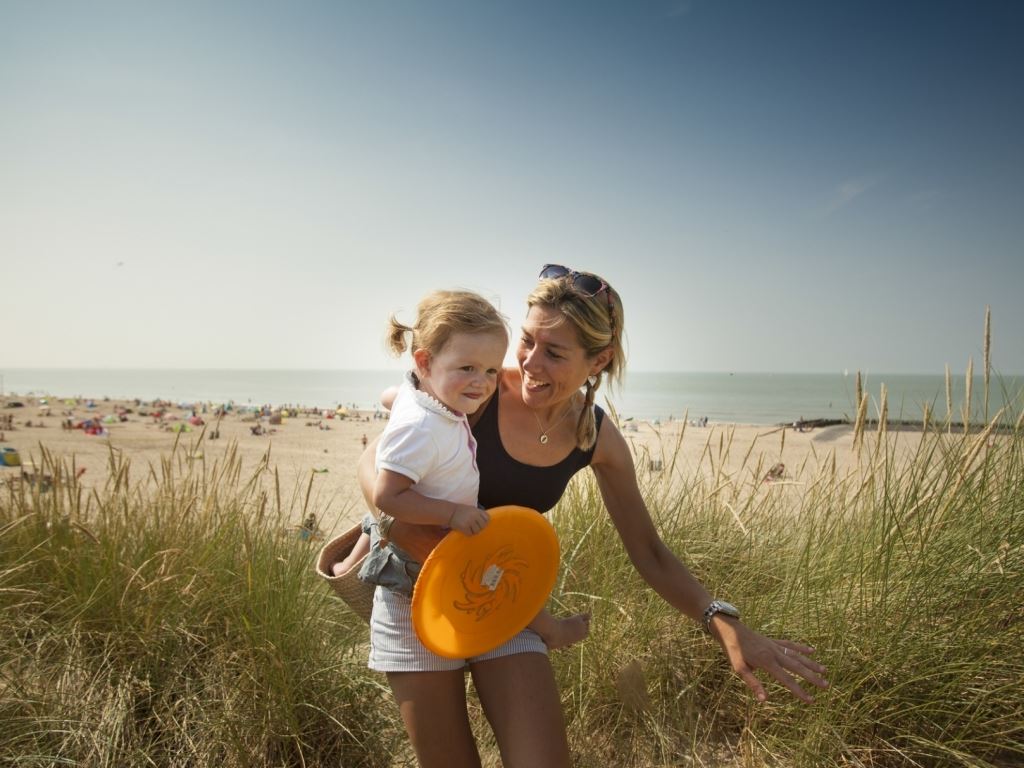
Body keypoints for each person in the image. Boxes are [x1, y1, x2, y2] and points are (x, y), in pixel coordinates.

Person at [343, 265, 830, 768]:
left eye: (555, 353)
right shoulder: (474, 391)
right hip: (416, 598)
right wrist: (444, 543)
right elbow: (373, 469)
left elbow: (649, 551)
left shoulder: (596, 438)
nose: (530, 363)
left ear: (598, 361)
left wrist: (720, 620)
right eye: (528, 341)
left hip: (506, 601)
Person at [333, 289, 589, 652]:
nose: (482, 383)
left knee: (496, 563)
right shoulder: (421, 427)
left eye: (490, 371)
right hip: (426, 539)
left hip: (444, 517)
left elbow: (391, 394)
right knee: (496, 578)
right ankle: (551, 631)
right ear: (424, 362)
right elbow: (387, 496)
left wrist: (400, 398)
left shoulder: (428, 397)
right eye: (467, 368)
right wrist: (452, 513)